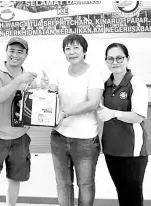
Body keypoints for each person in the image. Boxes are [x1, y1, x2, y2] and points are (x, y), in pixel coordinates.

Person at [43, 34, 104, 206]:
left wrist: (66, 113)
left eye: (76, 47)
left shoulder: (94, 73)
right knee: (63, 185)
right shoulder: (59, 72)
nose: (72, 52)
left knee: (85, 184)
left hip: (85, 140)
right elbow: (51, 96)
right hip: (59, 137)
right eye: (67, 48)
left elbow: (92, 103)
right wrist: (45, 88)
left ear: (84, 50)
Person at [0, 37, 38, 206]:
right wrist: (19, 80)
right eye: (12, 51)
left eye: (20, 52)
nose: (15, 55)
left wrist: (44, 90)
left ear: (26, 55)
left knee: (15, 179)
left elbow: (35, 107)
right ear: (6, 52)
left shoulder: (30, 79)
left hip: (20, 137)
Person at [97, 43, 150, 206]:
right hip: (111, 149)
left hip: (132, 150)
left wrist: (114, 114)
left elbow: (139, 116)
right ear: (106, 61)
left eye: (120, 58)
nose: (115, 62)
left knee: (132, 195)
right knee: (121, 192)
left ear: (127, 59)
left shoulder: (136, 82)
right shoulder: (105, 85)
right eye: (110, 58)